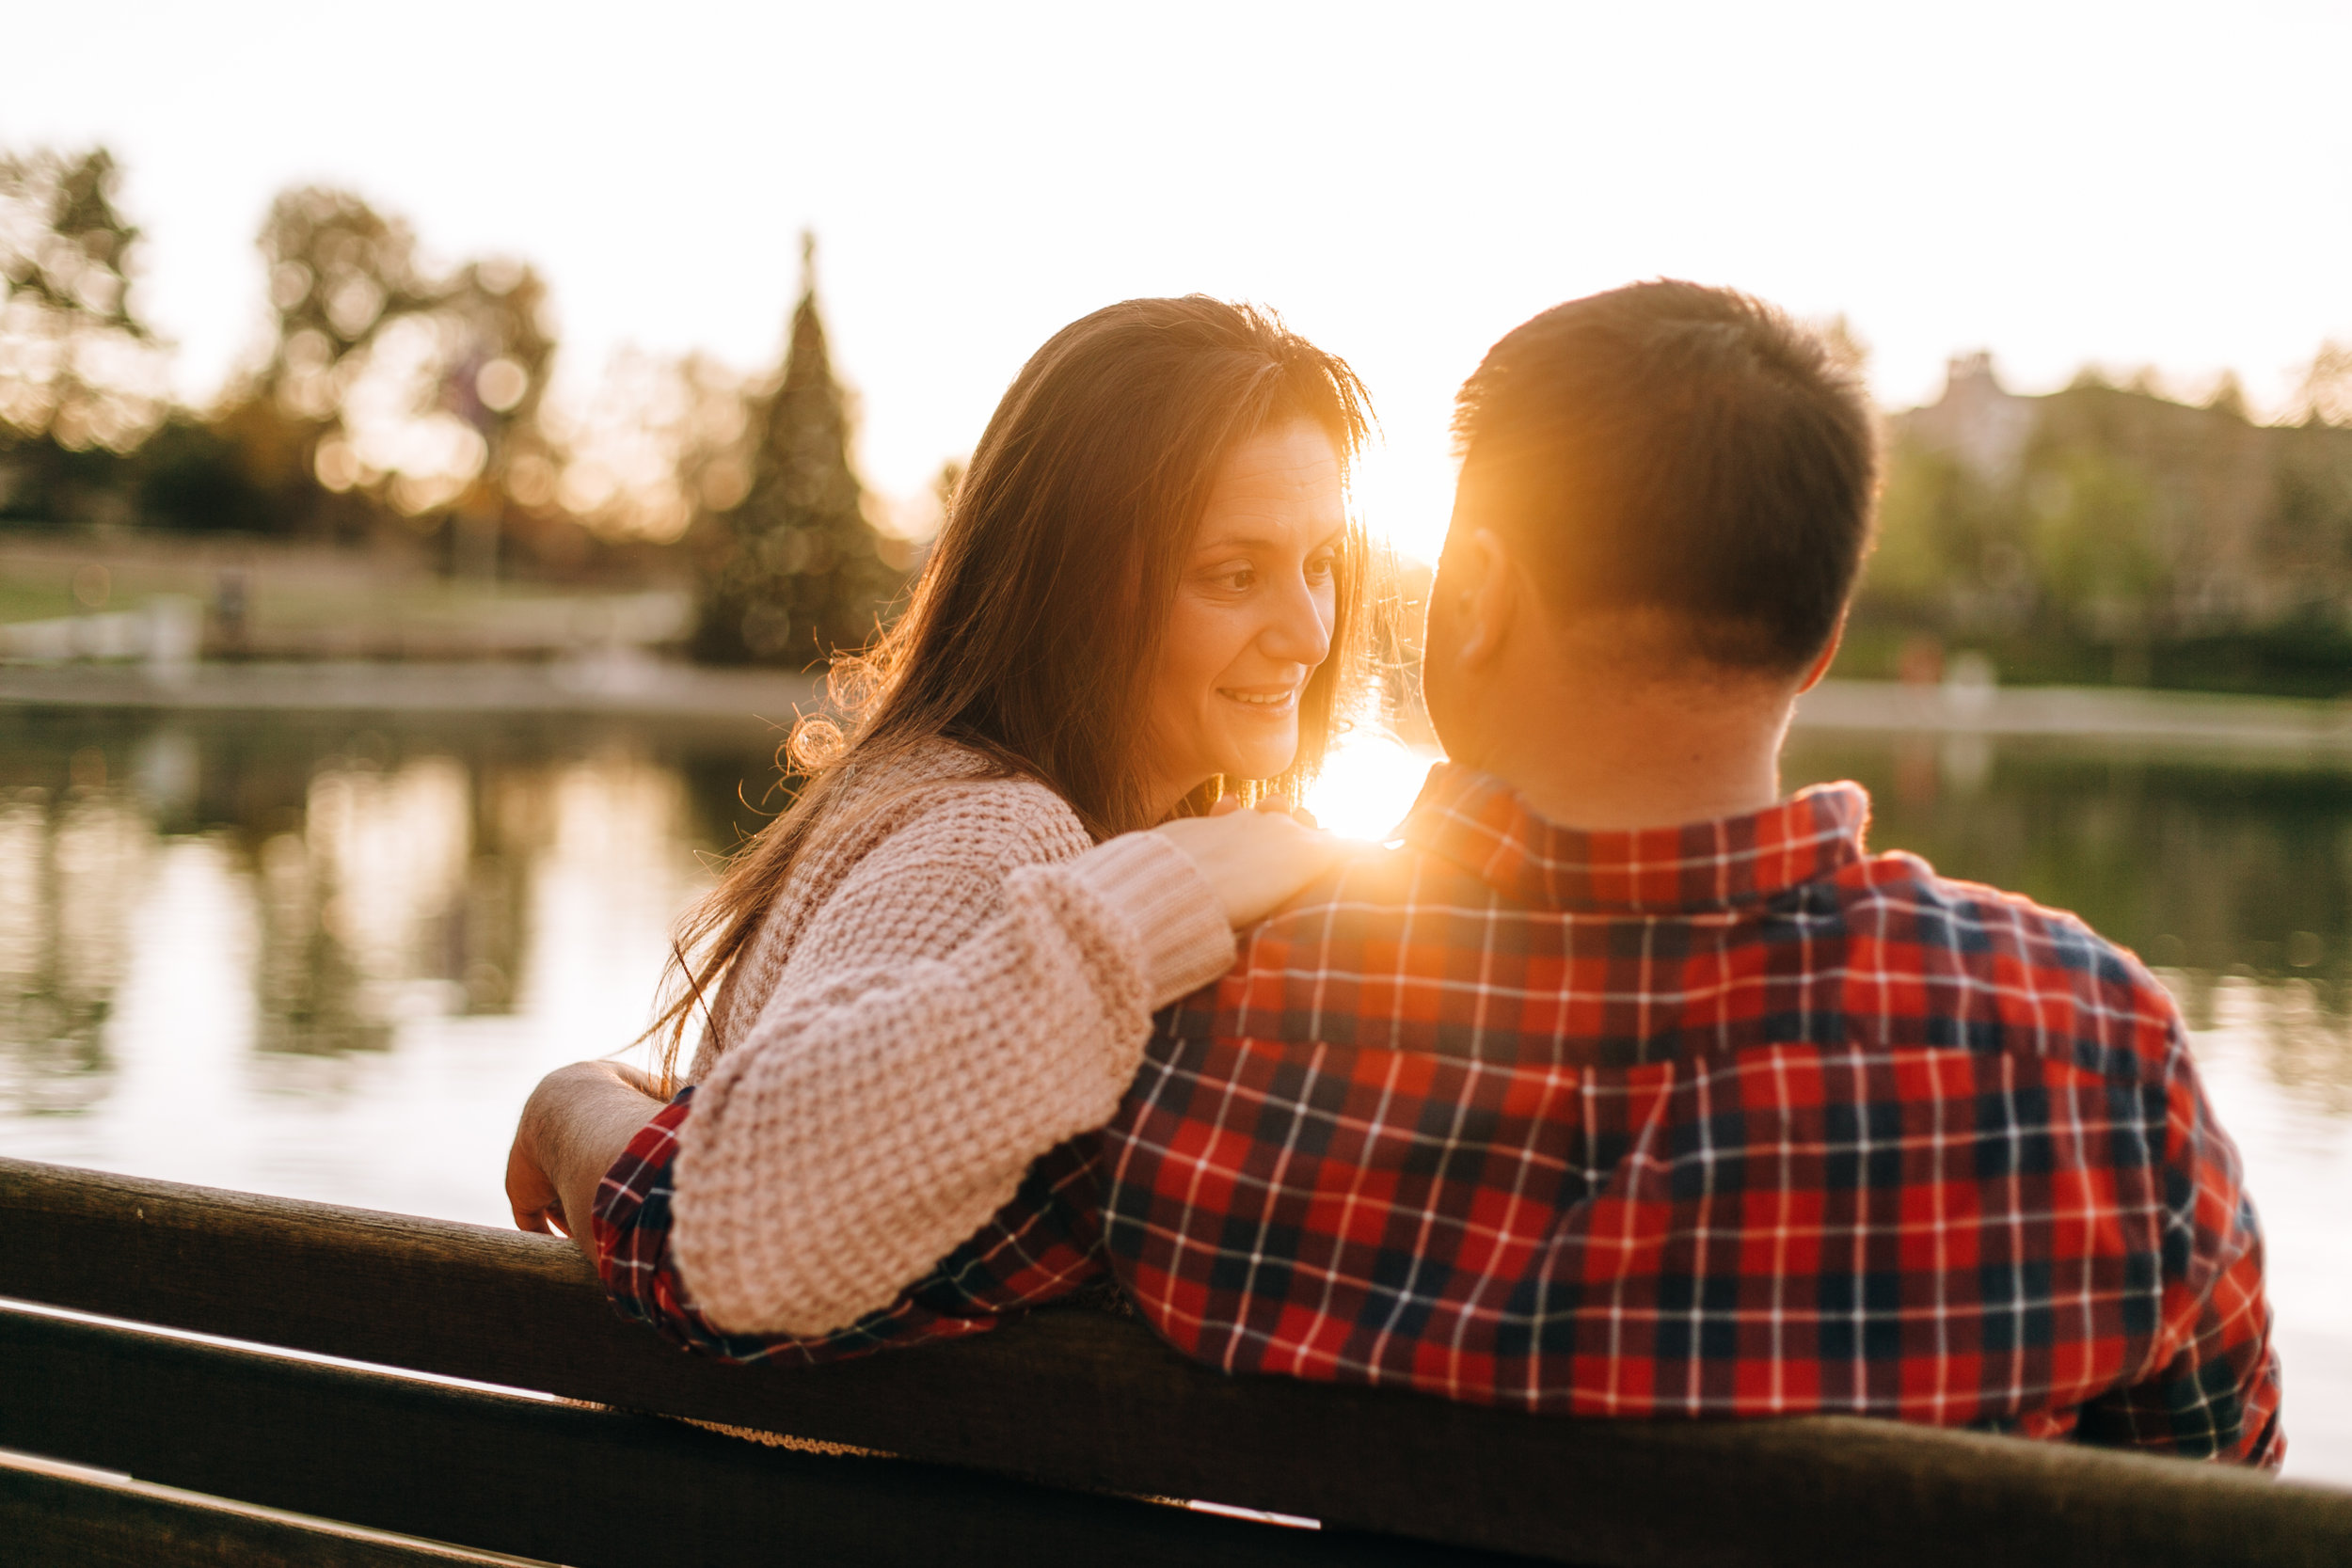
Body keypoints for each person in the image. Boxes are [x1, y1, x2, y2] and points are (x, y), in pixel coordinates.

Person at [584, 281, 2284, 1465]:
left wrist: (585, 1120)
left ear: (1466, 594)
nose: (1317, 625)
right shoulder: (2096, 1058)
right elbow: (2215, 1505)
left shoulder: (1230, 1037)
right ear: (1825, 633)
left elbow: (728, 1253)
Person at [505, 295, 1373, 1337]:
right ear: (1075, 587)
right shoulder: (997, 837)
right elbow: (714, 1223)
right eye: (1235, 575)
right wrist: (570, 1102)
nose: (1310, 632)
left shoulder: (951, 792)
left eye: (1320, 562)